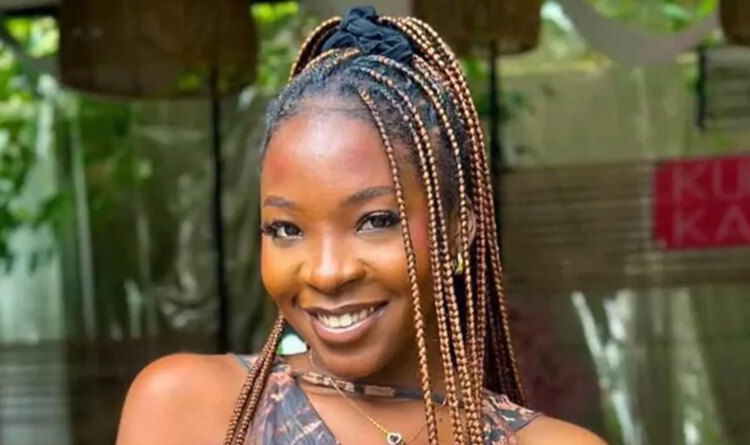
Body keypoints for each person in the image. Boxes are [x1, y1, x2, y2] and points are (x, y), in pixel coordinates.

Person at [116, 6, 608, 445]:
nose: (327, 273)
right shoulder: (186, 408)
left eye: (375, 221)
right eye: (286, 229)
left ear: (458, 230)